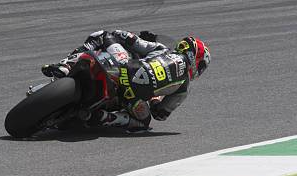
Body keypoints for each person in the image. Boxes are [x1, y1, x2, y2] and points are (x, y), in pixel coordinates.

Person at [41, 30, 210, 131]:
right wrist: (155, 96)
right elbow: (160, 114)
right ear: (196, 61)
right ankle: (104, 117)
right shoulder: (183, 90)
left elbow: (129, 39)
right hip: (131, 97)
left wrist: (127, 37)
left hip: (122, 68)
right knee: (143, 123)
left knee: (102, 36)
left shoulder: (161, 48)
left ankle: (65, 66)